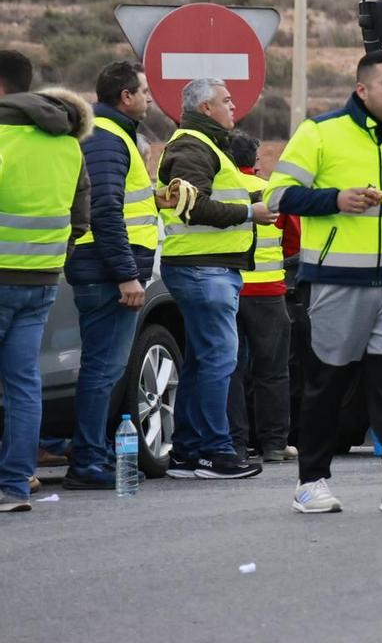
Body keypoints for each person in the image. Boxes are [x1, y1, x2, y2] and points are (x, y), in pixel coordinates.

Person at [268, 49, 382, 515]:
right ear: (362, 90)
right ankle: (311, 482)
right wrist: (335, 199)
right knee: (326, 384)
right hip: (335, 282)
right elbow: (276, 195)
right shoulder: (320, 132)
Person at [157, 76, 275, 481]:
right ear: (205, 108)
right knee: (219, 361)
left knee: (203, 362)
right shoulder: (192, 146)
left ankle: (189, 452)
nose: (233, 106)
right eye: (225, 100)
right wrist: (249, 214)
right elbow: (194, 207)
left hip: (206, 268)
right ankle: (214, 451)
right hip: (202, 268)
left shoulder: (204, 145)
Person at [0, 52, 90, 513]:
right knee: (21, 384)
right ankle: (13, 486)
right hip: (41, 281)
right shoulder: (66, 144)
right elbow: (81, 218)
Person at [62, 61, 157, 489]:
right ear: (126, 97)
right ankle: (87, 461)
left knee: (104, 368)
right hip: (106, 273)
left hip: (104, 269)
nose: (151, 98)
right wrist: (126, 275)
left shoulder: (113, 135)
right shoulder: (106, 136)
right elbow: (104, 210)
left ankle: (89, 455)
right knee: (103, 369)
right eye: (145, 91)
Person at [227, 129, 291, 464]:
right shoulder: (271, 193)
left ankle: (235, 443)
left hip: (229, 288)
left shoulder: (222, 192)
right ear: (254, 159)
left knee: (231, 369)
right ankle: (274, 443)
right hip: (268, 292)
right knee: (273, 369)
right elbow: (294, 239)